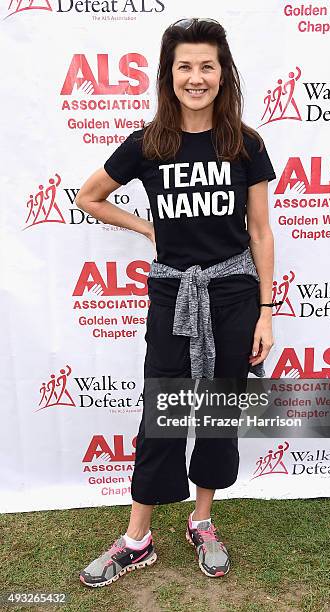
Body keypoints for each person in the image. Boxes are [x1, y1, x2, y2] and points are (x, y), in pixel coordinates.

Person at [76, 17, 277, 587]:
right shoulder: (149, 142)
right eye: (184, 66)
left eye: (206, 66)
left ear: (223, 73)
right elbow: (91, 196)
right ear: (169, 75)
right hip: (172, 294)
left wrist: (265, 311)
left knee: (217, 415)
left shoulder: (246, 143)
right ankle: (138, 537)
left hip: (235, 293)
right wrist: (146, 228)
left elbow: (260, 232)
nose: (196, 77)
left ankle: (202, 521)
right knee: (161, 413)